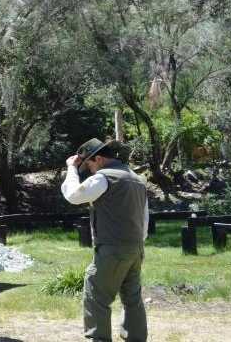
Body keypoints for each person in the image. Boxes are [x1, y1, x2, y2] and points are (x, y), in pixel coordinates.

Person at [62, 139, 148, 342]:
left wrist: (71, 168)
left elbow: (73, 195)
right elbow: (144, 218)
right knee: (132, 299)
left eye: (89, 164)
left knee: (96, 295)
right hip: (136, 249)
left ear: (98, 159)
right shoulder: (137, 179)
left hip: (112, 249)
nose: (90, 170)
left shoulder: (104, 178)